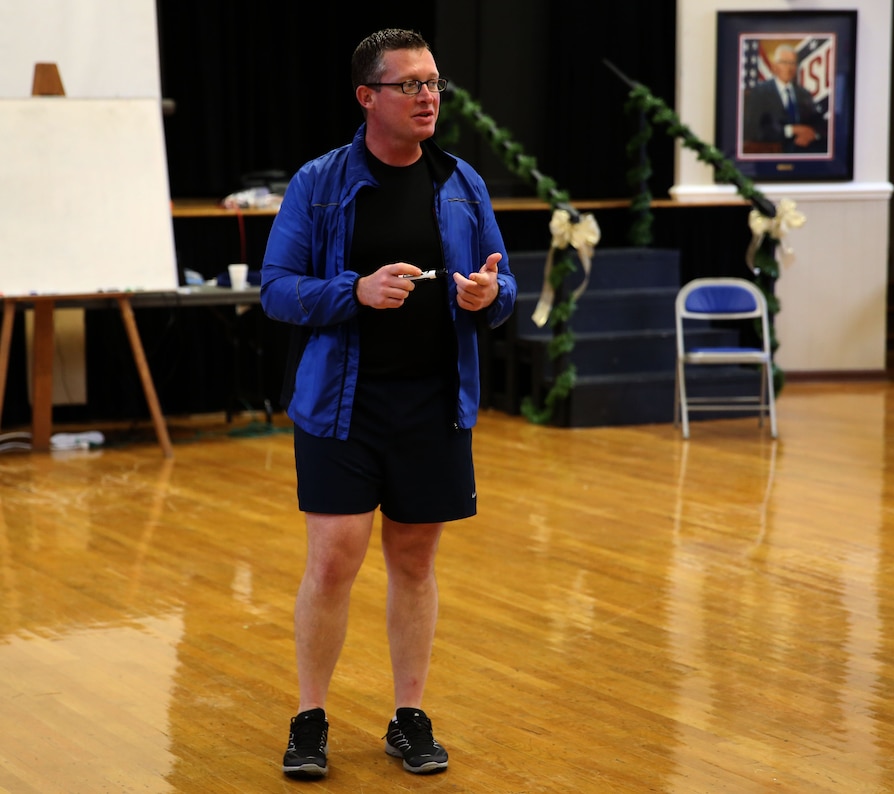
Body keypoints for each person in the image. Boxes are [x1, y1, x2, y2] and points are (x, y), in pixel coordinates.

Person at [260, 27, 516, 780]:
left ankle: (409, 716)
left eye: (434, 82)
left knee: (414, 560)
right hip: (342, 407)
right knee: (334, 559)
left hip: (434, 406)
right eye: (409, 85)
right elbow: (276, 289)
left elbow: (505, 292)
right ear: (367, 96)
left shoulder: (462, 182)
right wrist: (355, 291)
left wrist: (485, 294)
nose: (428, 96)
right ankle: (310, 718)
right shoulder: (321, 182)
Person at [742, 43, 827, 154]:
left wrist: (812, 133)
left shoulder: (803, 93)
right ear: (775, 67)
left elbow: (818, 122)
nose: (789, 67)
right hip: (772, 151)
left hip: (803, 151)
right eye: (784, 63)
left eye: (793, 63)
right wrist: (790, 130)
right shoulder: (759, 92)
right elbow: (753, 130)